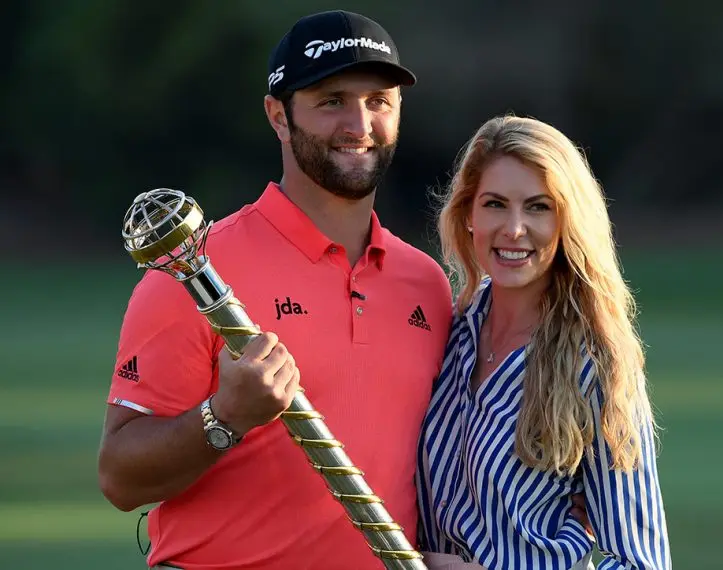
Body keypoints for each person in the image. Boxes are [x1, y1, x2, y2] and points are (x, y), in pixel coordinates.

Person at [97, 10, 455, 569]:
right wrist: (224, 417)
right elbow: (120, 477)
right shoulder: (195, 273)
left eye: (378, 101)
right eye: (331, 101)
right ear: (278, 117)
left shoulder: (426, 285)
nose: (359, 123)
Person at [416, 115, 672, 569]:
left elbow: (640, 562)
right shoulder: (447, 333)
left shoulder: (594, 364)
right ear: (468, 215)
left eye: (538, 207)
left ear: (567, 221)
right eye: (495, 204)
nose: (514, 228)